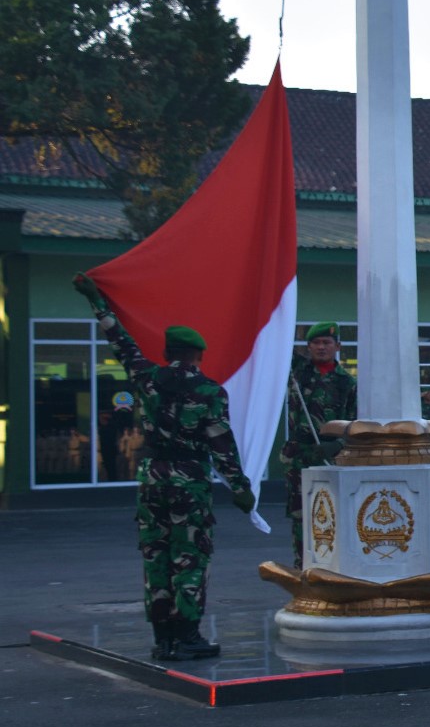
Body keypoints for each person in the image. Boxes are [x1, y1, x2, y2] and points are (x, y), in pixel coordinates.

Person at [73, 274, 255, 662]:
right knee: (189, 556)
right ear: (198, 355)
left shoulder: (146, 378)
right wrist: (240, 487)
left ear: (168, 350)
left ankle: (163, 639)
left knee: (155, 554)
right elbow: (221, 443)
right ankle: (188, 635)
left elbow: (119, 340)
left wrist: (96, 300)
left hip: (152, 477)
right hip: (189, 480)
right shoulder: (209, 391)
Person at [282, 322, 357, 567]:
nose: (321, 347)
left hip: (331, 458)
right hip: (300, 457)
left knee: (331, 515)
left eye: (327, 343)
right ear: (308, 346)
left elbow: (356, 424)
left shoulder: (347, 383)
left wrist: (338, 444)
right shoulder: (297, 372)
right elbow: (276, 344)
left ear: (338, 346)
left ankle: (332, 568)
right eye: (316, 343)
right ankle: (303, 569)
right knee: (301, 517)